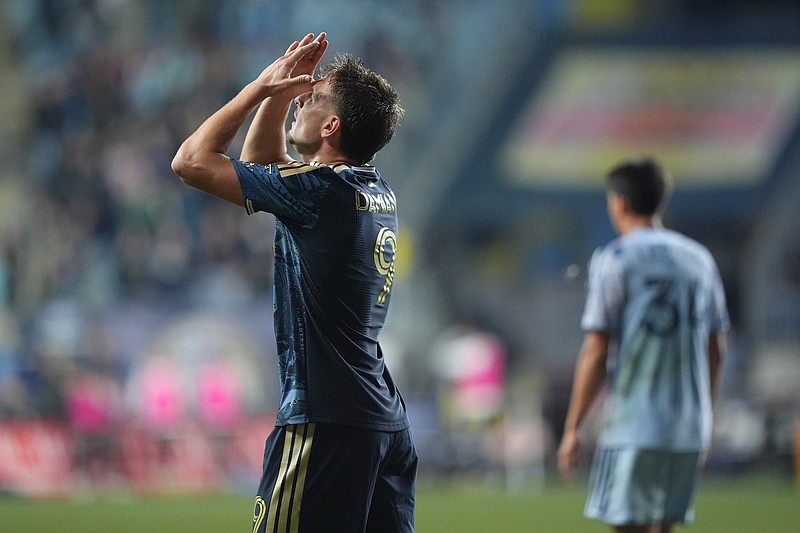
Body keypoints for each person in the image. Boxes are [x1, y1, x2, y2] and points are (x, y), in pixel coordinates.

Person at [171, 33, 417, 533]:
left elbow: (191, 162)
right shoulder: (369, 189)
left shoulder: (319, 192)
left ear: (331, 125)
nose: (302, 96)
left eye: (313, 97)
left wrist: (260, 89)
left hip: (326, 422)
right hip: (382, 422)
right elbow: (265, 160)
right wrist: (284, 89)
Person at [557, 157, 729, 533]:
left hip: (636, 423)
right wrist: (707, 415)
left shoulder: (615, 258)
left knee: (628, 527)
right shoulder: (700, 259)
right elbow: (717, 347)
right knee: (664, 527)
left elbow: (597, 348)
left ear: (618, 202)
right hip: (688, 425)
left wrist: (573, 427)